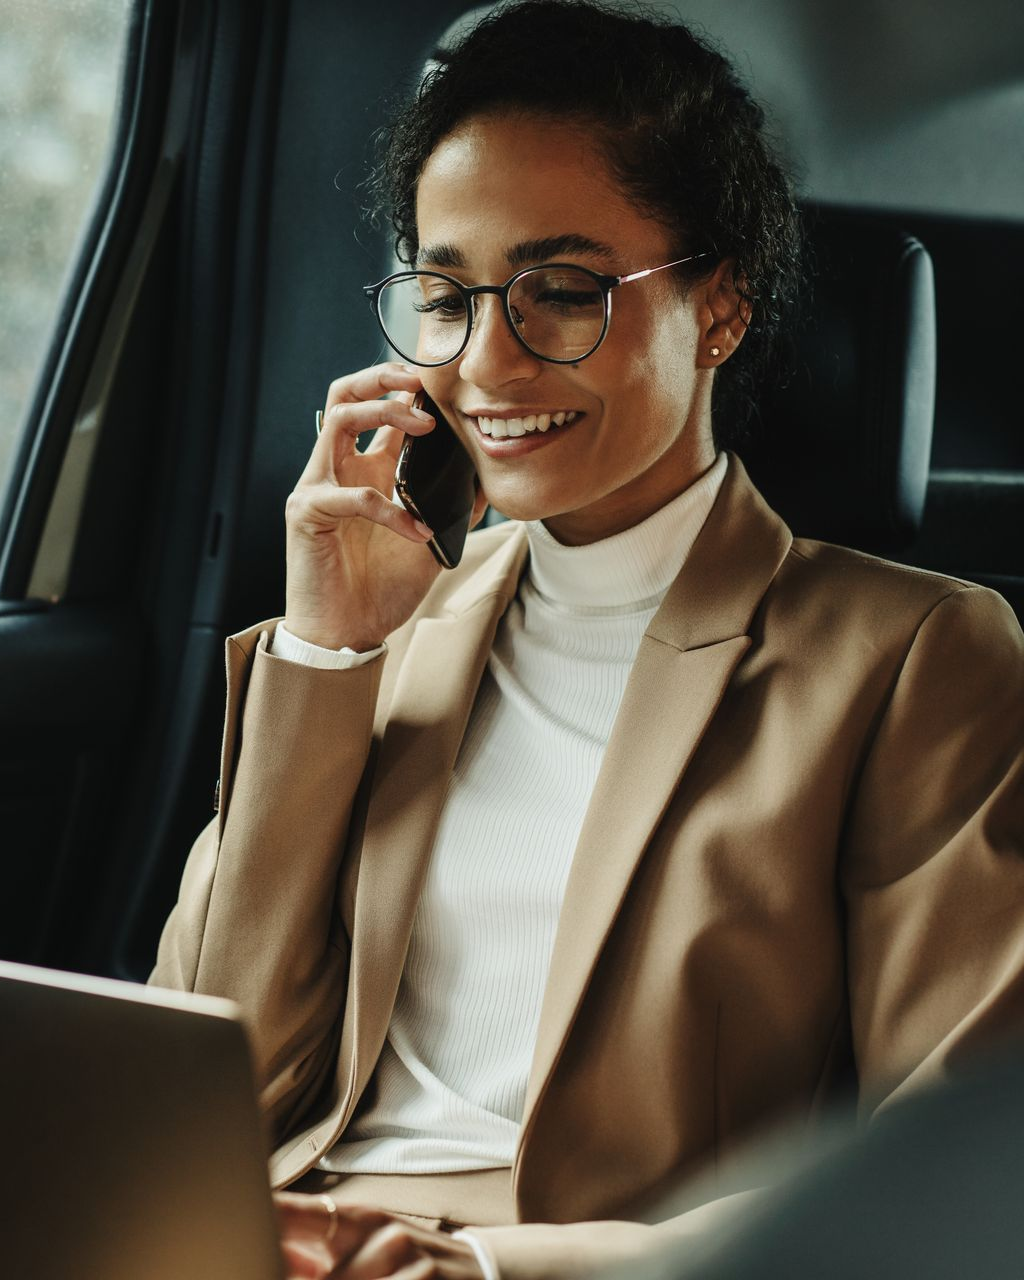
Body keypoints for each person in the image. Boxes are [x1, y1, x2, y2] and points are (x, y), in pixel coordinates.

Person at [150, 3, 1024, 1278]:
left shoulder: (914, 661)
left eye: (560, 294)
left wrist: (488, 1265)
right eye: (445, 298)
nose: (486, 363)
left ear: (718, 306)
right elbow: (204, 1085)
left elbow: (945, 1173)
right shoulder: (395, 617)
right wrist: (329, 654)